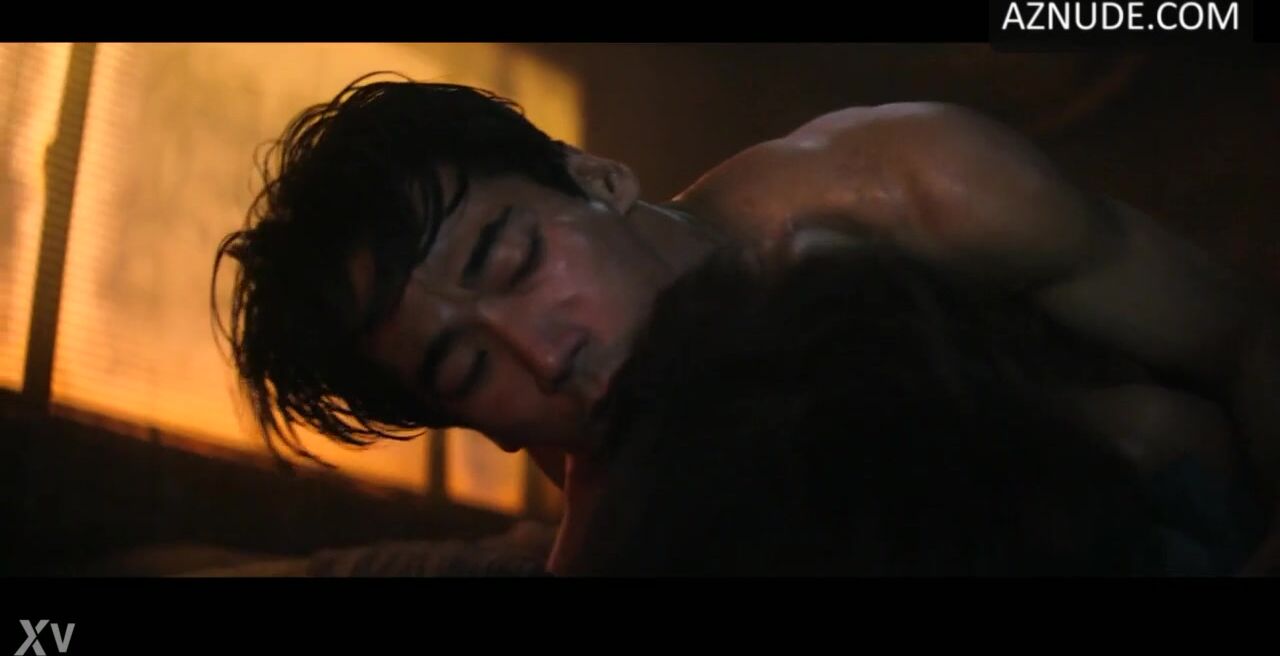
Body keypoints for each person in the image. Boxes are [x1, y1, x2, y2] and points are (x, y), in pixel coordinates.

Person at [212, 72, 1280, 575]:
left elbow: (1240, 335)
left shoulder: (916, 189)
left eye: (514, 259)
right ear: (472, 426)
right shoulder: (604, 505)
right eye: (464, 368)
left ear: (600, 178)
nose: (542, 352)